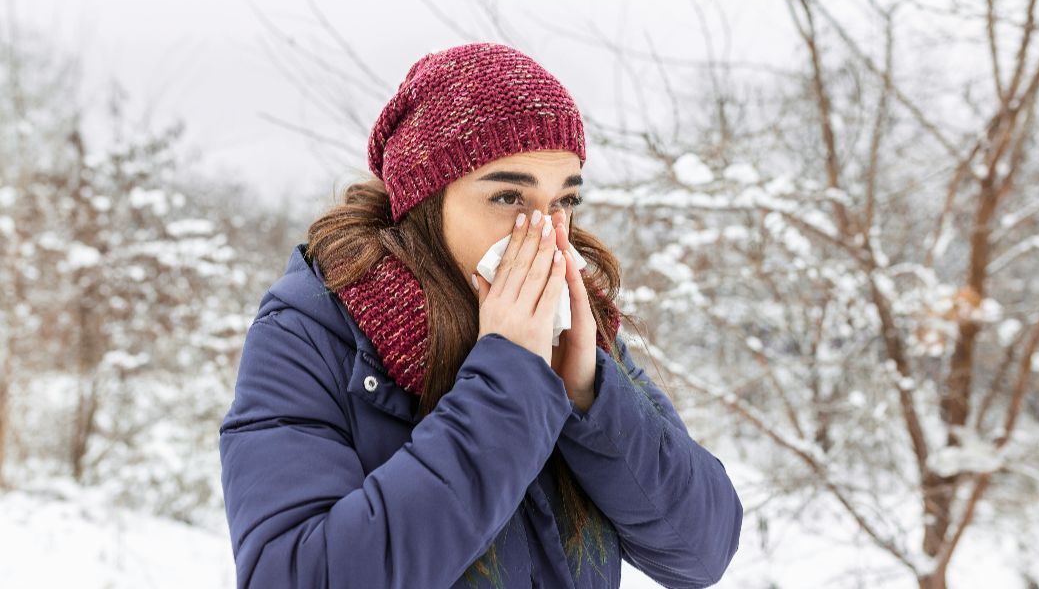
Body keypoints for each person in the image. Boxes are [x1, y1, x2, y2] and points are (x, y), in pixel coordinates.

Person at [218, 41, 742, 589]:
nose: (545, 232)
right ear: (425, 203)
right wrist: (509, 382)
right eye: (507, 198)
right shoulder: (313, 332)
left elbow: (700, 553)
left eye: (564, 200)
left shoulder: (573, 328)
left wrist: (589, 394)